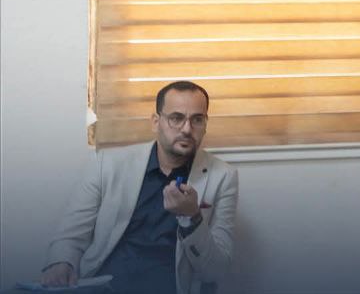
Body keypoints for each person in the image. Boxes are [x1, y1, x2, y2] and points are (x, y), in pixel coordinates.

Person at [40, 81, 238, 294]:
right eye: (176, 118)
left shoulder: (222, 177)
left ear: (205, 124)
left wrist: (193, 218)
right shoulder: (107, 164)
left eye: (197, 120)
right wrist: (61, 264)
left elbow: (216, 270)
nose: (187, 129)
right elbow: (72, 233)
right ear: (156, 122)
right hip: (105, 286)